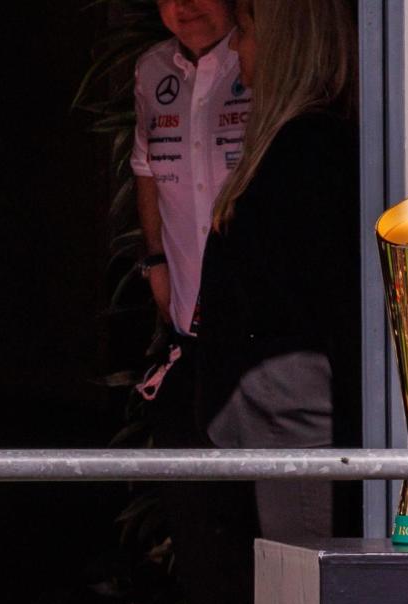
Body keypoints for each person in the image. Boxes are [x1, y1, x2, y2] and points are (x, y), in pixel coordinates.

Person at [198, 0, 360, 538]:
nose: (237, 48)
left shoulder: (308, 148)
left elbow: (309, 298)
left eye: (244, 31)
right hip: (277, 419)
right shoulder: (301, 143)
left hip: (294, 424)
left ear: (287, 46)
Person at [131, 0, 248, 447]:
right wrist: (155, 261)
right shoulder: (151, 69)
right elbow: (145, 169)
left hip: (260, 332)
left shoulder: (266, 59)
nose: (183, 6)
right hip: (188, 327)